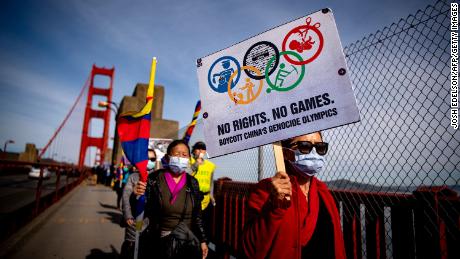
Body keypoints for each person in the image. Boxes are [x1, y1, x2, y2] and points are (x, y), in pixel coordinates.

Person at [242, 131, 346, 259]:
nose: (314, 153)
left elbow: (338, 246)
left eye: (320, 147)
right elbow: (250, 250)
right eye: (305, 146)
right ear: (285, 153)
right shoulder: (266, 190)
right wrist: (274, 206)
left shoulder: (323, 192)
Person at [134, 139, 208, 259]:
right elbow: (140, 210)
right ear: (168, 158)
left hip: (186, 241)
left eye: (184, 155)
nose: (181, 158)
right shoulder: (154, 179)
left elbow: (197, 215)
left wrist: (203, 240)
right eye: (177, 154)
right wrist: (136, 195)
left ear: (189, 159)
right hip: (159, 241)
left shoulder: (192, 182)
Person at [120, 146, 157, 259]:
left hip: (152, 223)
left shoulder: (158, 177)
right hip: (137, 220)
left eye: (153, 159)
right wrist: (128, 216)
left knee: (146, 250)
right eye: (147, 158)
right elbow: (125, 197)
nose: (150, 162)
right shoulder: (133, 177)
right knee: (132, 247)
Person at [190, 141, 216, 238]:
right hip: (192, 198)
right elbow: (187, 172)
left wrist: (212, 195)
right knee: (194, 223)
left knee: (206, 223)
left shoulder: (210, 165)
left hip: (206, 198)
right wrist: (197, 163)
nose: (201, 151)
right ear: (194, 151)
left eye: (203, 149)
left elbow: (211, 181)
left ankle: (204, 244)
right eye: (198, 148)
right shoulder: (190, 161)